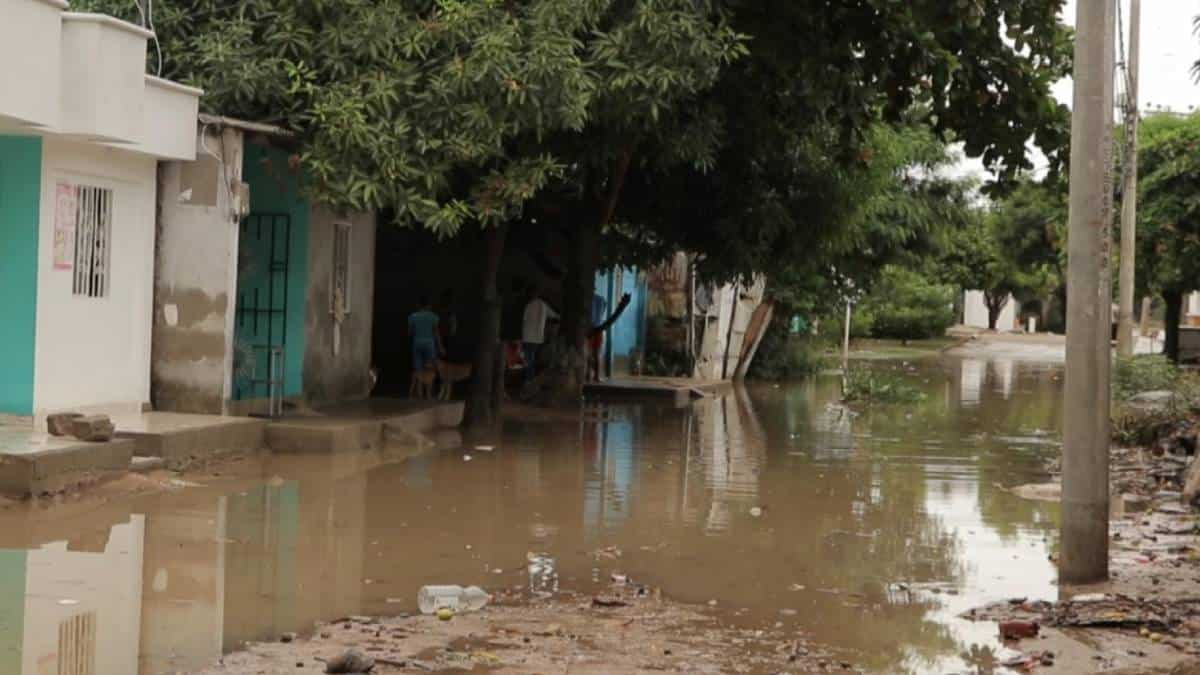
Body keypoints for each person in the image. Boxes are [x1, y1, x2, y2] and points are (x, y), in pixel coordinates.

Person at [522, 289, 559, 381]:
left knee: (528, 359)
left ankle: (529, 378)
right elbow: (554, 315)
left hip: (527, 336)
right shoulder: (543, 305)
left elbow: (524, 320)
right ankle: (531, 378)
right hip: (537, 338)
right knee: (532, 358)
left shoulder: (528, 305)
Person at [408, 295, 443, 381]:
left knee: (418, 369)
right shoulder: (433, 316)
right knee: (430, 368)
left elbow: (410, 333)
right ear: (429, 305)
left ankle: (419, 388)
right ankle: (429, 388)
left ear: (418, 305)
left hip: (417, 342)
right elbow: (436, 333)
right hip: (429, 344)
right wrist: (440, 346)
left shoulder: (412, 316)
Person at [588, 291, 608, 382]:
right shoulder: (601, 299)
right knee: (597, 353)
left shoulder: (587, 300)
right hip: (599, 327)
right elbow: (604, 307)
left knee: (589, 352)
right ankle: (596, 376)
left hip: (590, 328)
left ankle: (588, 374)